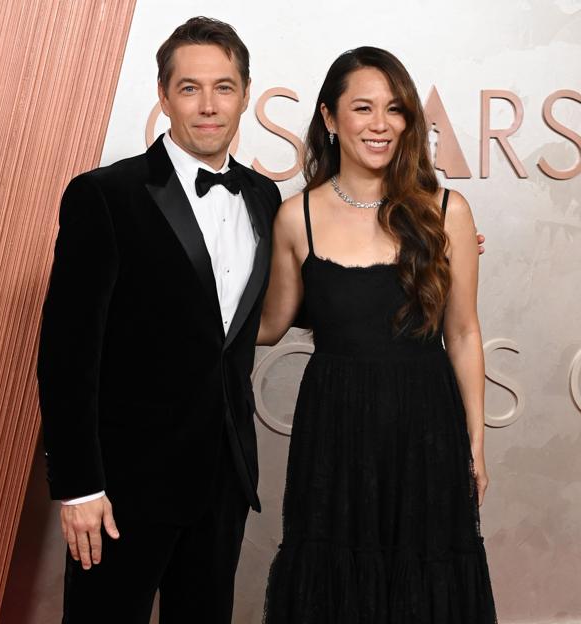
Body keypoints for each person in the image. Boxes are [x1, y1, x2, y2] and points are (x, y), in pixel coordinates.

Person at [37, 17, 281, 623]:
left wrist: (429, 253)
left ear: (246, 94)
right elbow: (68, 353)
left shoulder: (263, 198)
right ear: (164, 94)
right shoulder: (105, 196)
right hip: (122, 490)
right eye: (190, 88)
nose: (207, 105)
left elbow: (267, 312)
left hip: (222, 480)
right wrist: (80, 487)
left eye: (223, 87)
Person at [259, 47, 497, 623]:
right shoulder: (298, 217)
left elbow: (463, 333)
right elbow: (266, 326)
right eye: (362, 107)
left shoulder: (447, 211)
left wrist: (475, 442)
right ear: (329, 118)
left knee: (423, 578)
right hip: (334, 429)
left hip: (425, 426)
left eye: (395, 109)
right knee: (337, 585)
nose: (380, 124)